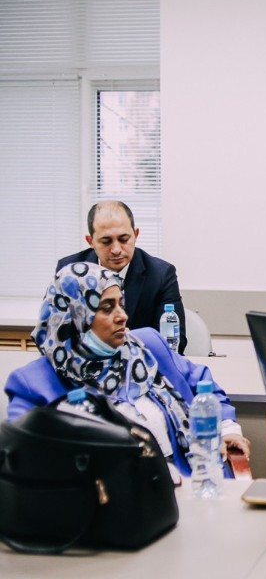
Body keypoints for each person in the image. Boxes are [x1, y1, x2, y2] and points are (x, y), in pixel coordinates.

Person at [4, 263, 250, 476]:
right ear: (75, 315)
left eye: (121, 304)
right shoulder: (33, 383)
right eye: (107, 307)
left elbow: (203, 384)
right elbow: (23, 461)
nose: (122, 316)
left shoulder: (145, 346)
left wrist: (226, 429)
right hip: (105, 503)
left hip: (189, 481)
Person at [56, 200, 187, 353]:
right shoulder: (70, 271)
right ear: (90, 241)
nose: (116, 249)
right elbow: (53, 333)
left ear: (135, 235)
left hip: (142, 363)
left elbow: (174, 342)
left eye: (124, 239)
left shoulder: (161, 274)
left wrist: (125, 341)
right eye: (106, 241)